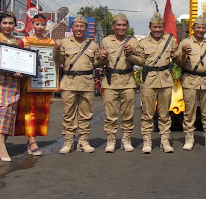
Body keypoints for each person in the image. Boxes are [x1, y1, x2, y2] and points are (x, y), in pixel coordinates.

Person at [55, 15, 107, 154]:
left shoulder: (92, 45)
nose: (79, 29)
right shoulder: (64, 43)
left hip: (86, 82)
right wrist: (56, 48)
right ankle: (68, 142)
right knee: (69, 114)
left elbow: (96, 64)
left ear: (86, 28)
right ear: (72, 28)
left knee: (86, 114)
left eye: (82, 26)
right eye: (76, 26)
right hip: (69, 83)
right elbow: (58, 60)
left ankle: (83, 141)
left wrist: (103, 59)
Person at [130, 13, 178, 153]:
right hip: (149, 80)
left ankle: (165, 140)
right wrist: (130, 56)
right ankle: (147, 140)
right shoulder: (143, 42)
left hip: (165, 79)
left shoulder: (170, 40)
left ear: (163, 27)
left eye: (160, 27)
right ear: (150, 27)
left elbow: (175, 57)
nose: (157, 29)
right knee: (147, 113)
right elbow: (140, 61)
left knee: (164, 114)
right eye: (155, 27)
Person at [14, 14, 59, 156]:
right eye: (37, 24)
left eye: (42, 24)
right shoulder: (24, 41)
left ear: (46, 25)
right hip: (28, 83)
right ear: (32, 24)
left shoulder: (51, 42)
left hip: (44, 82)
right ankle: (32, 140)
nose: (40, 27)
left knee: (41, 112)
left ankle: (32, 139)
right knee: (30, 112)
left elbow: (56, 63)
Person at [175, 15, 206, 150]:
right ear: (193, 28)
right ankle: (189, 138)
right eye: (198, 27)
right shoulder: (185, 43)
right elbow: (178, 62)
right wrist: (183, 53)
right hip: (190, 80)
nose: (200, 30)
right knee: (189, 111)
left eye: (203, 27)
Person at [0, 11, 25, 162]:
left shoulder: (19, 42)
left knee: (9, 113)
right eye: (5, 23)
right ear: (0, 25)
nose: (8, 26)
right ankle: (1, 146)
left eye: (11, 23)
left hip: (13, 81)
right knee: (0, 110)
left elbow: (21, 61)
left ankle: (1, 144)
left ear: (15, 25)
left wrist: (20, 71)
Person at [99, 13, 139, 153]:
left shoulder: (133, 41)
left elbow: (141, 61)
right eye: (119, 25)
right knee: (110, 113)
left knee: (128, 113)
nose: (121, 27)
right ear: (113, 26)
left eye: (124, 25)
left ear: (127, 27)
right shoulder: (106, 41)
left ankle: (126, 140)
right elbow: (97, 62)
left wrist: (130, 54)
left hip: (128, 81)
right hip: (111, 82)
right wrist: (101, 57)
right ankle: (111, 140)